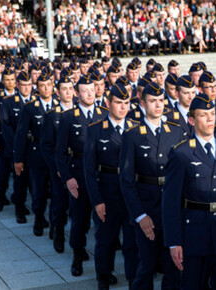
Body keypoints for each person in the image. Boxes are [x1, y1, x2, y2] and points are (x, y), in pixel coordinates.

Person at [163, 93, 216, 290]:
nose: (210, 119)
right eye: (204, 115)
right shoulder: (182, 153)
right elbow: (171, 202)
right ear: (191, 120)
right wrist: (174, 242)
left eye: (212, 114)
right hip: (194, 235)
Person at [119, 82, 182, 289]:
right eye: (152, 101)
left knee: (173, 266)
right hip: (146, 209)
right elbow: (127, 181)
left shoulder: (176, 132)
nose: (158, 105)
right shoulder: (132, 135)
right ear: (142, 104)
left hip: (172, 209)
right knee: (147, 264)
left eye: (160, 100)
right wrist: (139, 215)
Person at [84, 84, 139, 289]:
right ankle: (103, 276)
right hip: (107, 191)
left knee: (132, 241)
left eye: (126, 103)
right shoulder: (96, 130)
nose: (123, 107)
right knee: (106, 239)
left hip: (131, 192)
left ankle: (134, 277)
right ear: (108, 104)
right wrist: (97, 200)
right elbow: (89, 170)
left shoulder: (136, 127)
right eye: (118, 103)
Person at [55, 75, 108, 277]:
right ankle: (77, 255)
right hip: (78, 173)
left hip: (100, 175)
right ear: (77, 94)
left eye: (92, 90)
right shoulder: (69, 117)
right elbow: (59, 153)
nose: (89, 94)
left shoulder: (104, 115)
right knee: (79, 219)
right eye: (85, 91)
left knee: (104, 221)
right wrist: (68, 178)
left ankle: (104, 267)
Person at [14, 70, 59, 236]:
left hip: (55, 155)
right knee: (38, 191)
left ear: (53, 85)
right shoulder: (30, 108)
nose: (46, 88)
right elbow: (20, 134)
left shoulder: (60, 106)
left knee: (56, 192)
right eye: (42, 86)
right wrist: (18, 159)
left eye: (48, 85)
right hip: (37, 154)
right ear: (37, 88)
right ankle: (39, 219)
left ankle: (55, 224)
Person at [40, 75, 74, 253]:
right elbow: (46, 146)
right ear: (58, 93)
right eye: (64, 89)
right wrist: (57, 169)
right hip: (59, 168)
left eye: (70, 89)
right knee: (60, 204)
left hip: (76, 166)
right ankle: (58, 233)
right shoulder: (52, 116)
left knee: (77, 206)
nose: (68, 92)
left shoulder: (79, 113)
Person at [0, 71, 35, 221]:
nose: (26, 88)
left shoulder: (36, 101)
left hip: (34, 148)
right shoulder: (8, 102)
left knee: (35, 181)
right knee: (19, 180)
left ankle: (36, 210)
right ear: (17, 85)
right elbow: (6, 127)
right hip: (17, 148)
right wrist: (15, 149)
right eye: (23, 85)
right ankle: (19, 209)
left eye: (29, 85)